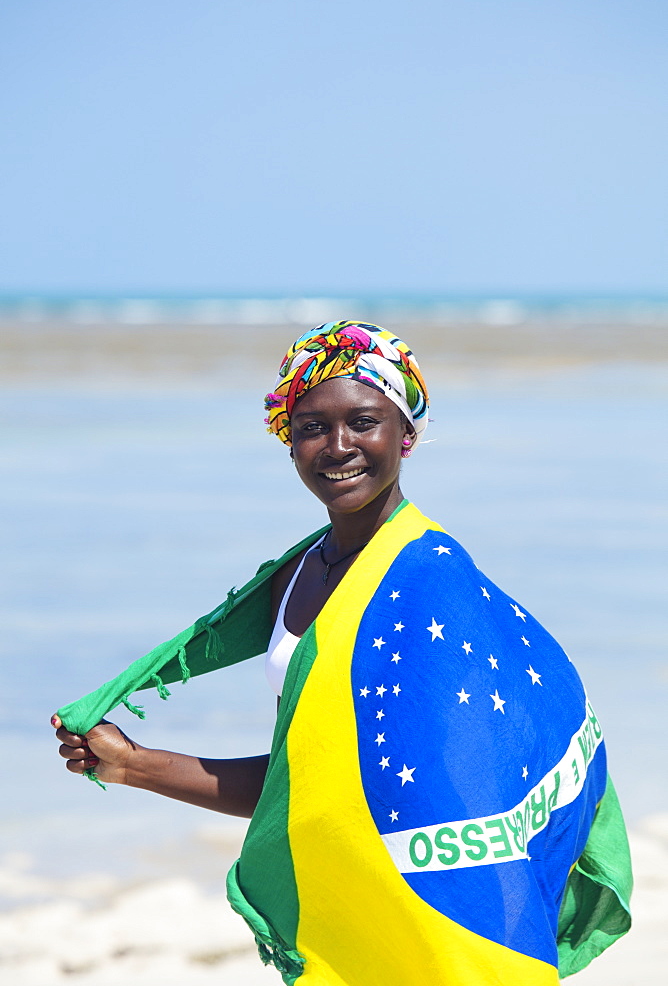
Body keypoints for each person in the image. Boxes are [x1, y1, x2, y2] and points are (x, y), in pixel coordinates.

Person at [53, 321, 631, 986]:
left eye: (364, 421)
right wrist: (133, 766)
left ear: (405, 434)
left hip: (429, 930)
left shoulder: (429, 585)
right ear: (288, 442)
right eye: (312, 428)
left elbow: (470, 784)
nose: (338, 447)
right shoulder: (299, 573)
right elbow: (306, 782)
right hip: (352, 924)